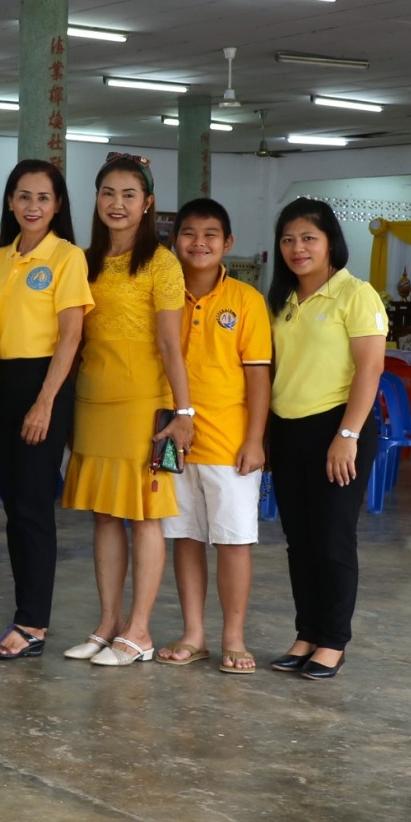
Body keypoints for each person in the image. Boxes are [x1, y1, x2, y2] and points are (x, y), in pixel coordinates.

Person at [60, 154, 194, 668]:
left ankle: (139, 631)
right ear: (96, 200)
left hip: (143, 404)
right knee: (104, 516)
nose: (117, 204)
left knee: (144, 515)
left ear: (148, 204)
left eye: (129, 195)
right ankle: (107, 623)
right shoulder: (84, 259)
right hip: (94, 401)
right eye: (108, 194)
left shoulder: (161, 263)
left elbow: (169, 342)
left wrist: (183, 412)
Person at [0, 160, 93, 661]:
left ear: (59, 205)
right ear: (9, 202)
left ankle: (33, 625)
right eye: (23, 196)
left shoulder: (67, 257)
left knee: (33, 510)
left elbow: (71, 337)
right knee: (14, 510)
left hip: (43, 385)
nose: (32, 206)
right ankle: (26, 616)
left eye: (43, 198)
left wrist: (45, 402)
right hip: (2, 386)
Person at [265, 199, 384, 681]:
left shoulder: (357, 294)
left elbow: (370, 368)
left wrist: (348, 435)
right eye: (289, 239)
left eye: (308, 238)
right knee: (300, 541)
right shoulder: (281, 299)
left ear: (331, 242)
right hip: (288, 429)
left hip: (338, 427)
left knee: (333, 539)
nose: (298, 248)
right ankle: (307, 633)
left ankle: (333, 640)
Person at [155, 198, 271, 674]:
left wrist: (255, 439)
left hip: (230, 442)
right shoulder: (161, 293)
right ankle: (194, 633)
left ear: (228, 243)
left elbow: (259, 377)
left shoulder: (246, 301)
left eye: (210, 235)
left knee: (233, 541)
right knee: (183, 536)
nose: (198, 243)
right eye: (188, 233)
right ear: (174, 240)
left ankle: (234, 638)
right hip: (171, 441)